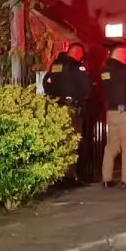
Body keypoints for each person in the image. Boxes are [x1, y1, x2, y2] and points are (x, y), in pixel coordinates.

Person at [42, 42, 93, 185]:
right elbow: (87, 88)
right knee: (72, 142)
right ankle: (69, 176)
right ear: (78, 53)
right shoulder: (77, 67)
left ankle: (57, 175)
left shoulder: (56, 65)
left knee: (59, 141)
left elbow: (46, 82)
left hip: (56, 108)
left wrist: (53, 96)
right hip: (72, 109)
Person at [99, 42, 126, 189]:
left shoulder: (104, 71)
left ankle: (106, 178)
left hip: (111, 113)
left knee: (111, 147)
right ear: (119, 53)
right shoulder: (125, 72)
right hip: (125, 114)